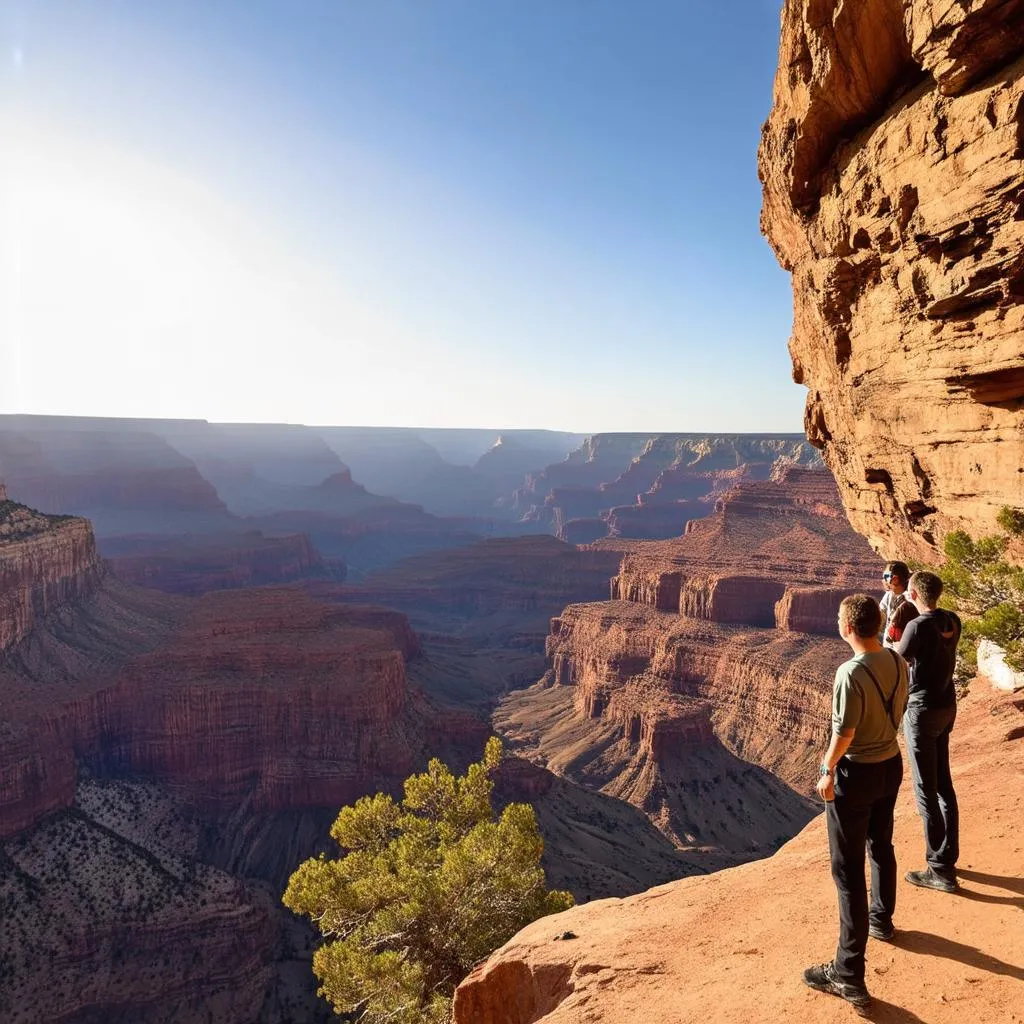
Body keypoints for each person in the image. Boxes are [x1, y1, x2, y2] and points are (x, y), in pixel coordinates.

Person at [803, 594, 908, 1011]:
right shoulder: (897, 661)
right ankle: (882, 920)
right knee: (881, 845)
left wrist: (828, 769)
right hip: (891, 763)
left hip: (857, 773)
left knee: (847, 873)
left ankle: (848, 973)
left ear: (847, 626)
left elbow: (843, 733)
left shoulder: (850, 672)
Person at [896, 570, 962, 892]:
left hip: (922, 711)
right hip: (947, 706)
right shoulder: (952, 620)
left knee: (926, 789)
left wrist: (893, 637)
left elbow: (896, 659)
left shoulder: (917, 626)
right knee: (944, 786)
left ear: (914, 594)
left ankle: (939, 869)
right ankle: (948, 857)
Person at [879, 560, 912, 647]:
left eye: (885, 577)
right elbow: (881, 616)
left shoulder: (910, 598)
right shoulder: (889, 595)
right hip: (890, 649)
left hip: (905, 651)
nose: (883, 580)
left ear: (895, 579)